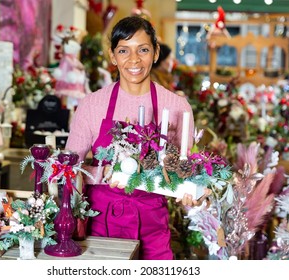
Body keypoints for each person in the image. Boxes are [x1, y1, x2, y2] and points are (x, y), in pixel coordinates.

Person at [65, 16, 209, 260]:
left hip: (152, 226)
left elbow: (185, 170)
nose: (134, 60)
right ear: (113, 56)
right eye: (123, 50)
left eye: (143, 49)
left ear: (155, 53)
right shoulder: (92, 105)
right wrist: (105, 173)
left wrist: (193, 197)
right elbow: (68, 169)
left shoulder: (177, 107)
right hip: (100, 225)